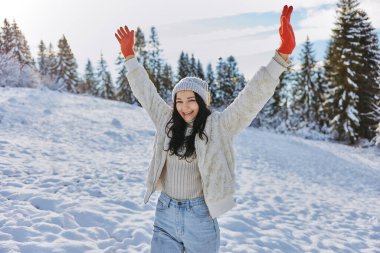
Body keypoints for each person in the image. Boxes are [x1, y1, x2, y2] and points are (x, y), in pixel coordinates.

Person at [115, 4, 295, 253]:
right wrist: (129, 57)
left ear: (202, 102)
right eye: (179, 100)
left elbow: (250, 99)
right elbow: (145, 92)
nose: (184, 107)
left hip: (199, 218)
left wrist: (281, 57)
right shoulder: (166, 122)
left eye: (191, 100)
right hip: (165, 214)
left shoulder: (219, 126)